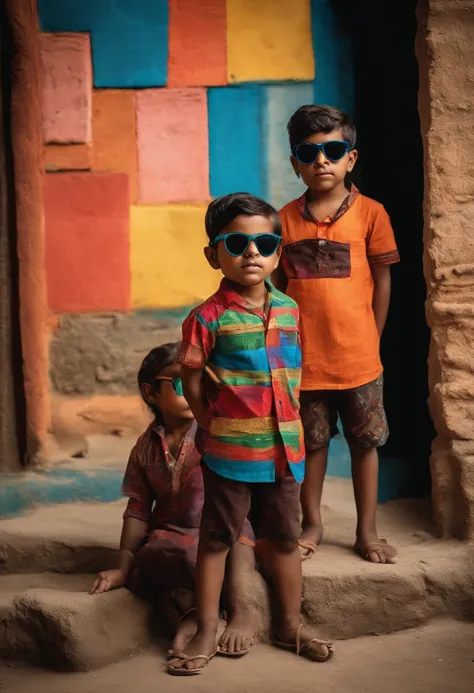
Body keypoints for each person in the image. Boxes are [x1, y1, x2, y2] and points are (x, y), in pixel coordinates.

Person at [169, 193, 334, 675]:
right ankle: (205, 627)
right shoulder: (207, 318)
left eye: (264, 242)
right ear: (212, 254)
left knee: (283, 539)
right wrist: (210, 422)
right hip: (229, 454)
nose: (252, 253)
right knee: (218, 540)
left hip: (285, 452)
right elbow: (192, 378)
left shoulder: (288, 309)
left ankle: (289, 624)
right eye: (237, 242)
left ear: (278, 251)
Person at [273, 105, 400, 564]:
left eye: (333, 150)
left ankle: (367, 532)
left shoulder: (371, 214)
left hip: (361, 359)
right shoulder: (284, 221)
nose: (321, 160)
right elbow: (280, 289)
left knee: (366, 444)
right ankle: (313, 524)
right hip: (305, 363)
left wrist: (374, 337)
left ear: (351, 158)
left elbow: (383, 280)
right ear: (296, 164)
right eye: (309, 152)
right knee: (312, 444)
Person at [90, 342, 259, 658]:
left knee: (231, 540)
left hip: (222, 532)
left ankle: (242, 610)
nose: (195, 389)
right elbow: (138, 508)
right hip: (172, 537)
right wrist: (122, 567)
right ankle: (193, 616)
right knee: (152, 560)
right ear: (151, 393)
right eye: (182, 382)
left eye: (202, 380)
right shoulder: (144, 448)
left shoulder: (219, 432)